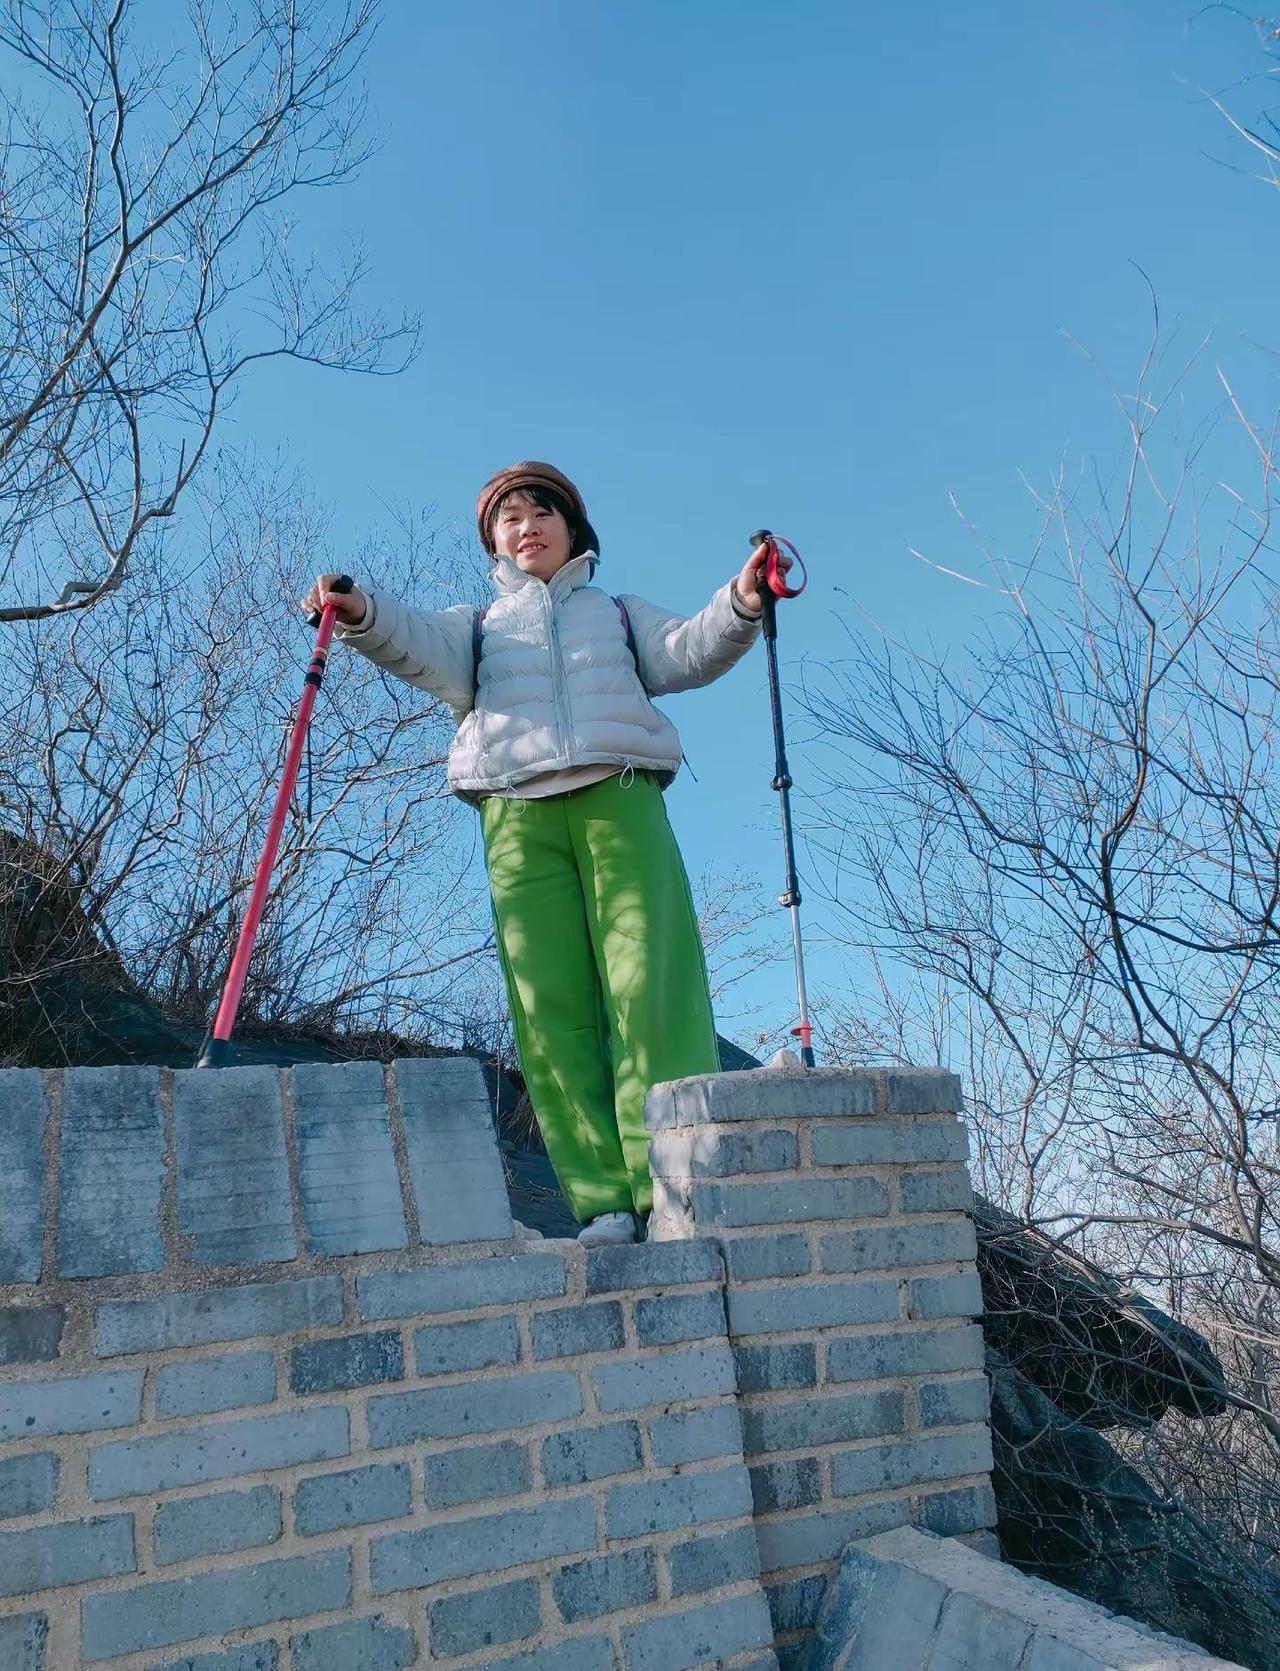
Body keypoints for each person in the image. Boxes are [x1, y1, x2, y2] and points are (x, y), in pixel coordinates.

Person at [300, 461, 785, 1244]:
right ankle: (604, 1200)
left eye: (542, 512)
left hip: (618, 798)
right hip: (515, 818)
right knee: (549, 1006)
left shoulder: (617, 614)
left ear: (572, 528)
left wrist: (744, 599)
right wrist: (359, 610)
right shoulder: (476, 628)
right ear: (494, 542)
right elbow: (411, 639)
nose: (527, 526)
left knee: (649, 989)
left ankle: (674, 1182)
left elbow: (690, 648)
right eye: (509, 518)